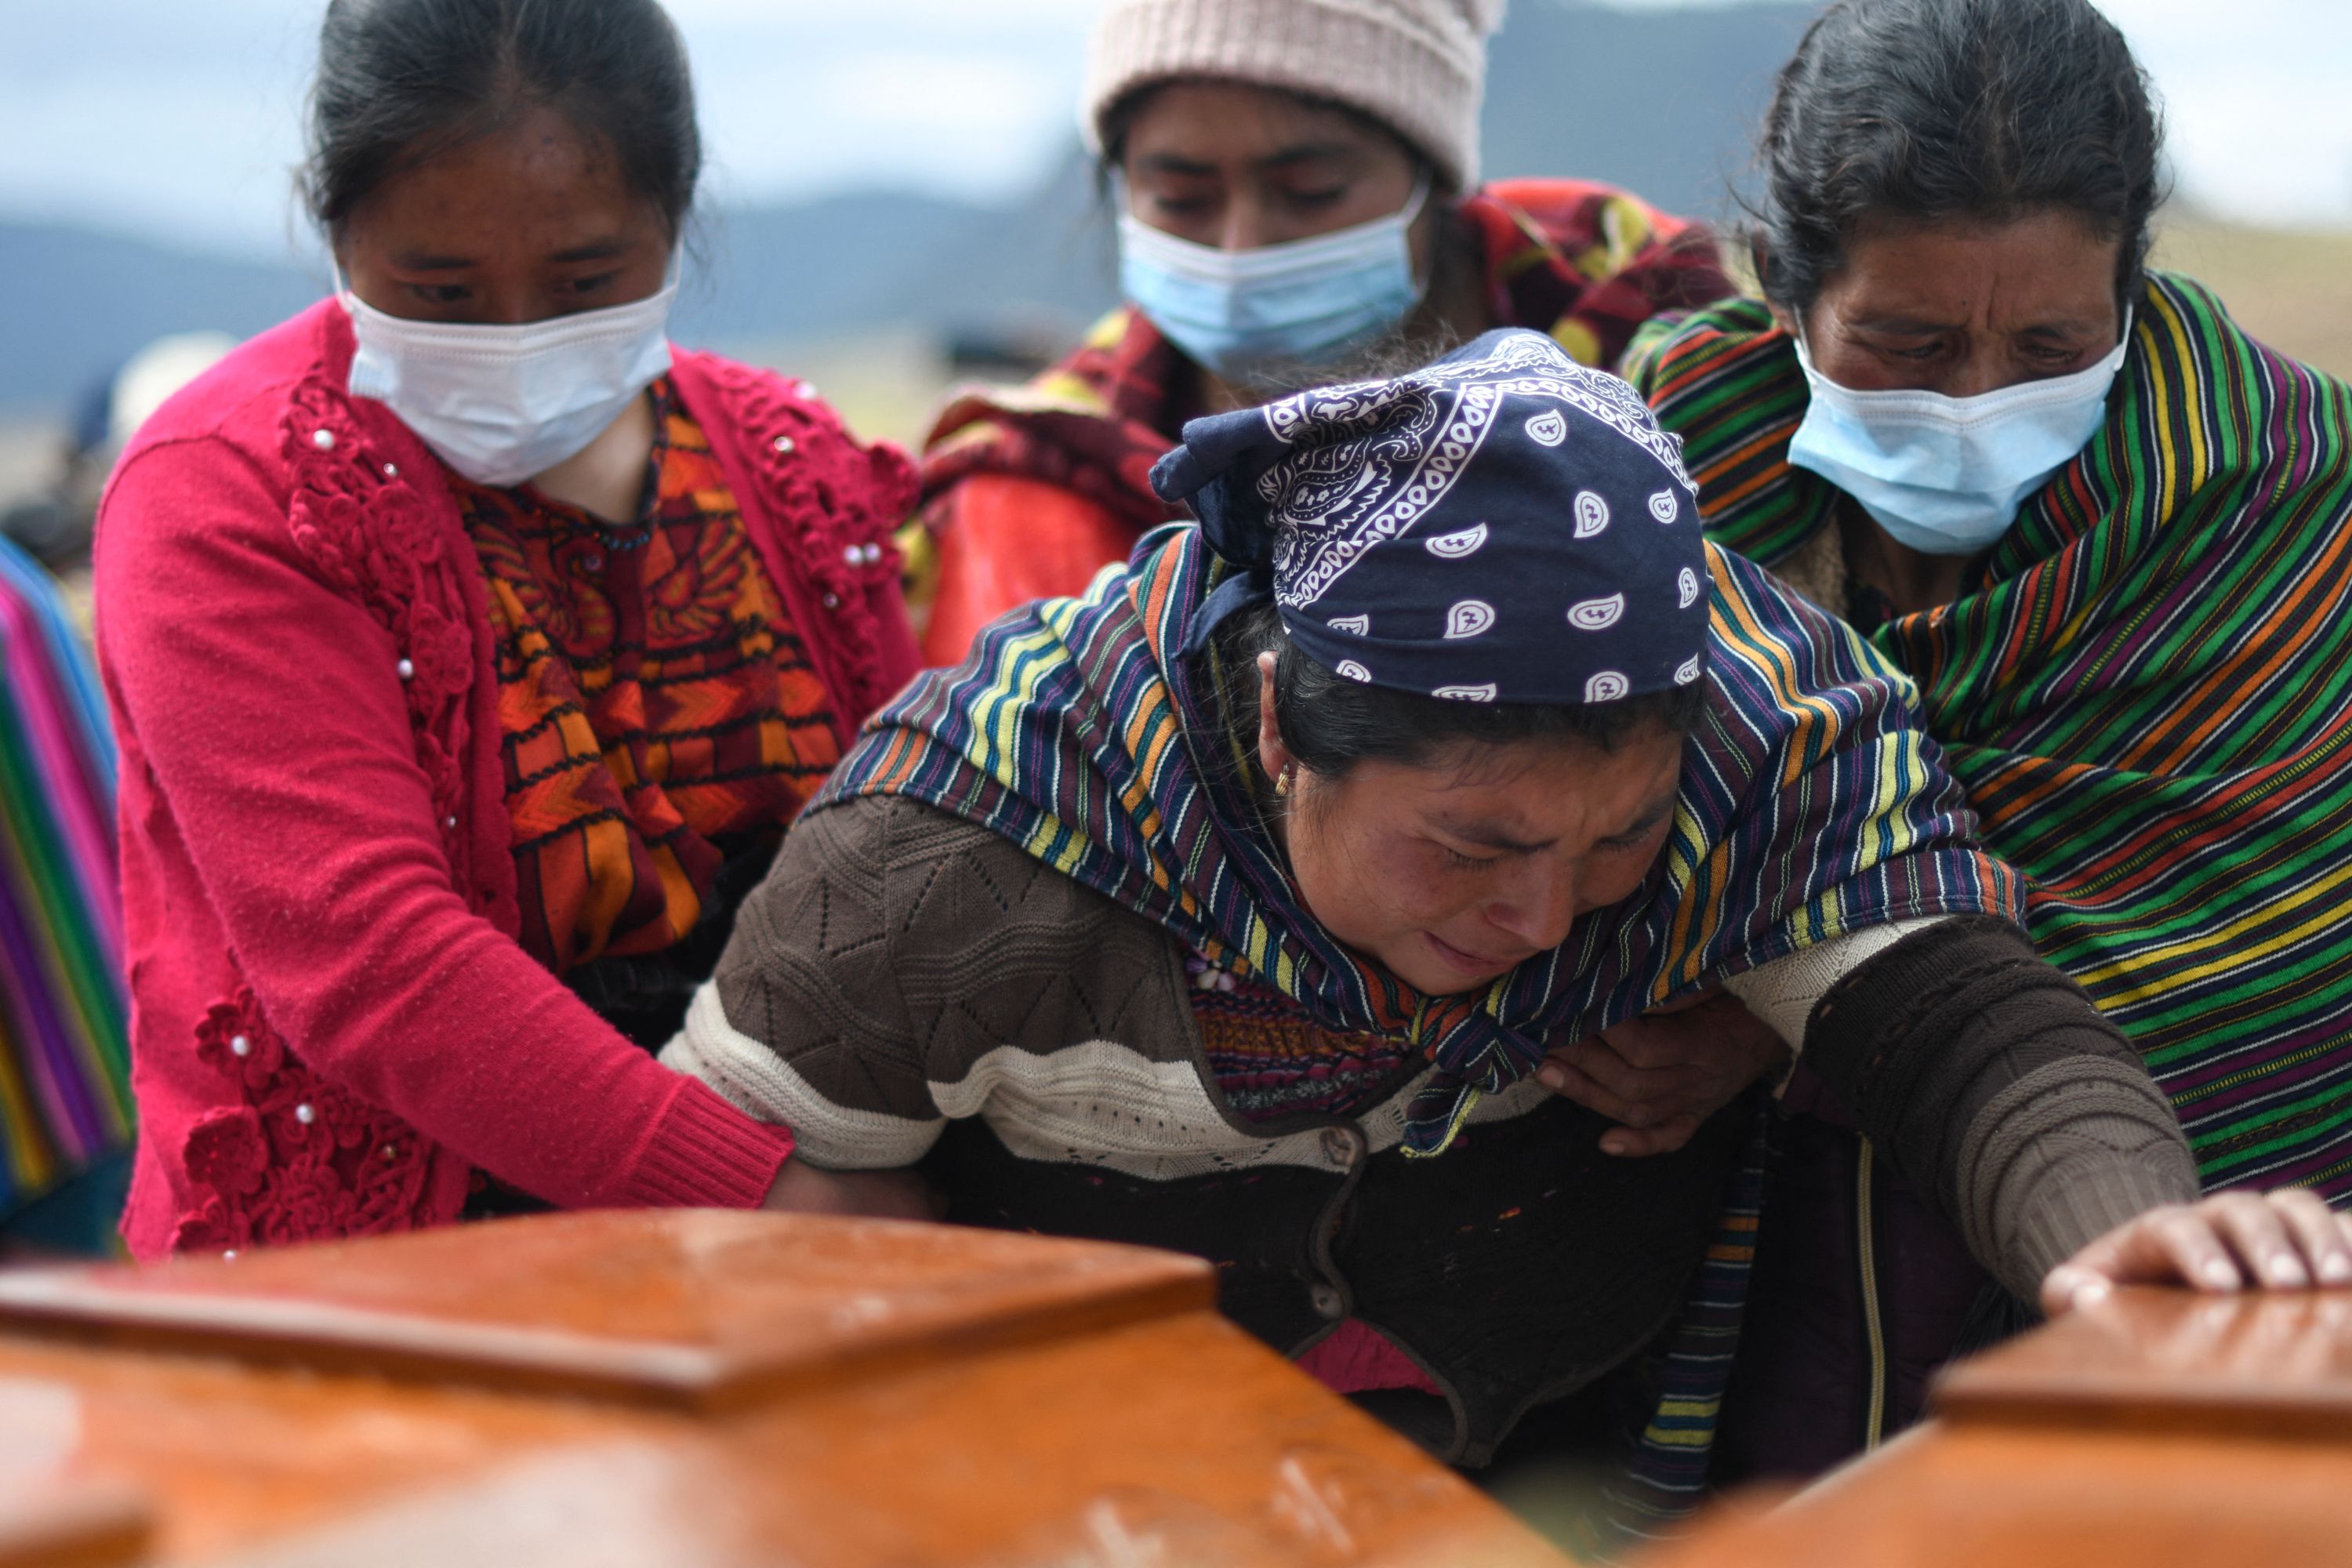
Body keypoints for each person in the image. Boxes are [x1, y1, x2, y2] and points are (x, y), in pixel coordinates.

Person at [664, 329, 2340, 1494]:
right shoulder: (962, 843)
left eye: (1622, 841)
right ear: (1281, 728)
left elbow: (1973, 1035)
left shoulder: (1762, 739)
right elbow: (772, 1191)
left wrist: (2116, 1238)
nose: (1542, 915)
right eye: (1471, 844)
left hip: (1544, 1464)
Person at [1621, 0, 2352, 1479]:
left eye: (2050, 346)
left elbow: (2267, 936)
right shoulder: (1658, 473)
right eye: (1908, 342)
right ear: (1786, 290)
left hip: (2201, 1235)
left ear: (2131, 293)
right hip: (1776, 1265)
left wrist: (1787, 1020)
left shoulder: (2276, 502)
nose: (1977, 398)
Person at [93, 0, 925, 1259]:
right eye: (440, 292)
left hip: (820, 1244)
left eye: (585, 283)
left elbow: (917, 844)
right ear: (336, 230)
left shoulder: (789, 464)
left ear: (674, 217)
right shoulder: (232, 488)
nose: (516, 339)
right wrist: (758, 1195)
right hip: (393, 1292)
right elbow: (371, 958)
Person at [909, 0, 1735, 665]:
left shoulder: (1683, 363)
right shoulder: (1032, 491)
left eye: (1312, 191)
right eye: (1181, 200)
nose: (1241, 247)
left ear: (1430, 184)